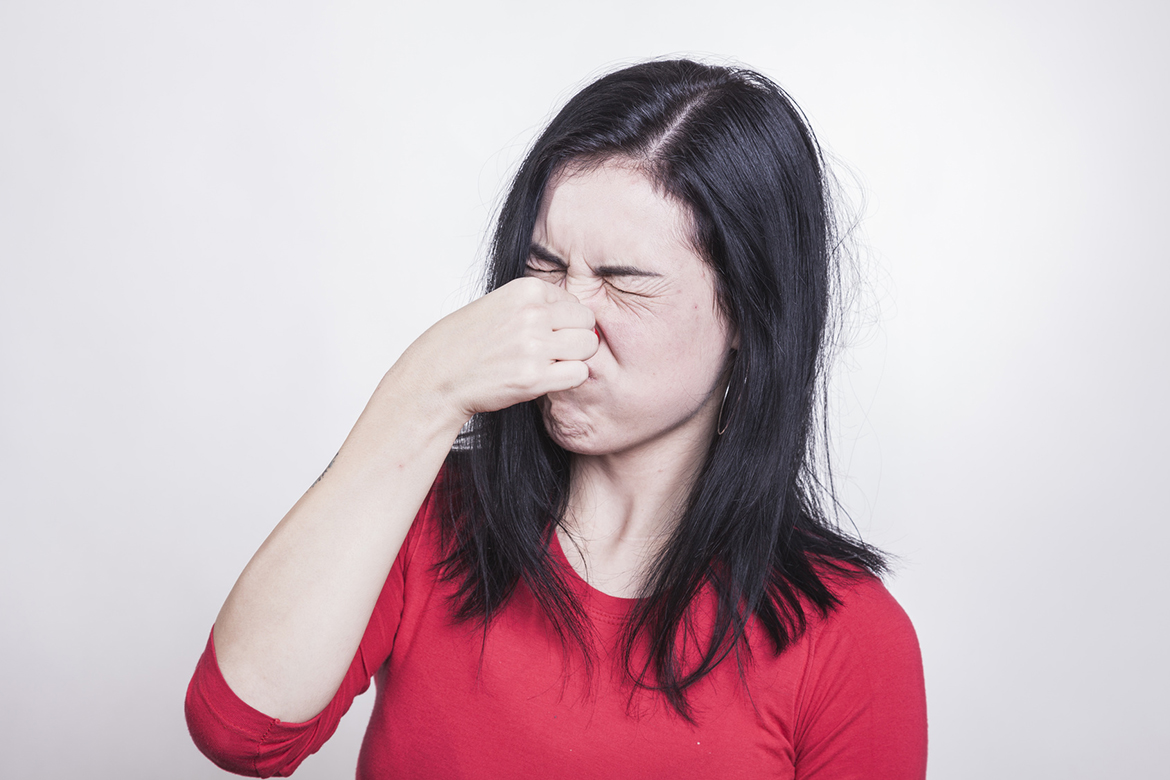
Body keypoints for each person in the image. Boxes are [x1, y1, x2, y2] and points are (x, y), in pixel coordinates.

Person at [186, 59, 927, 778]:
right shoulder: (429, 515)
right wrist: (421, 391)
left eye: (622, 281)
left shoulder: (849, 639)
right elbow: (242, 730)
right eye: (545, 268)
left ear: (748, 309)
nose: (564, 319)